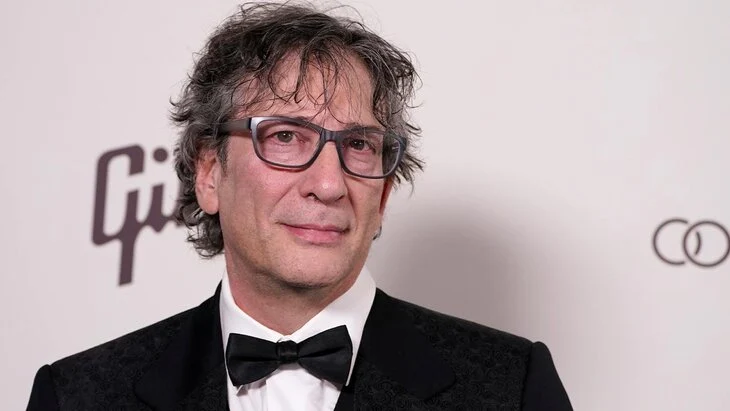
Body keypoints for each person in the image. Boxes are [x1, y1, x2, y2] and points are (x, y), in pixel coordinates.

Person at [27, 2, 572, 410]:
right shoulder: (77, 396)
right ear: (209, 173)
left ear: (383, 192)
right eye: (285, 137)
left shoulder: (512, 387)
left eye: (358, 145)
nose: (329, 184)